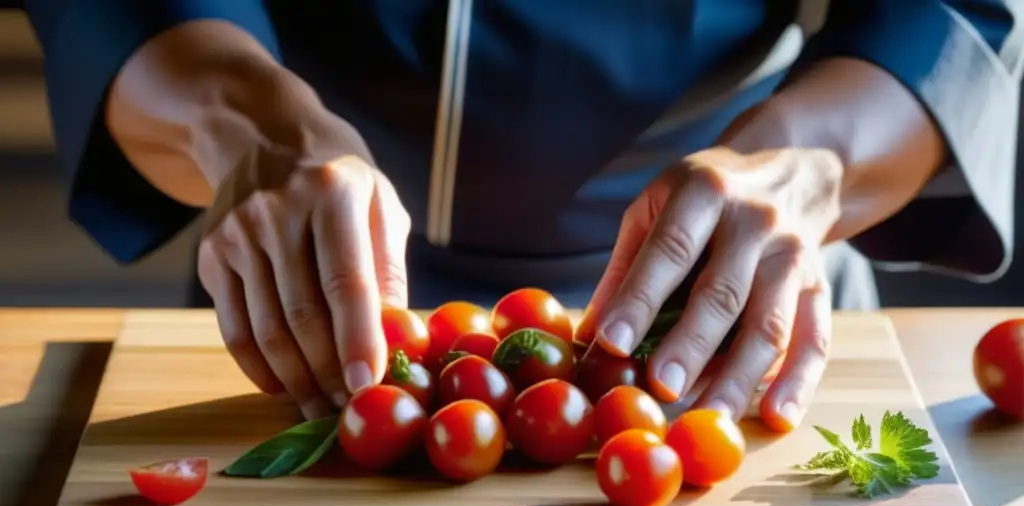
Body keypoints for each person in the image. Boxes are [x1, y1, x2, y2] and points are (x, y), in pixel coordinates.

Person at [20, 1, 1022, 426]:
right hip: (299, 290)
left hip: (725, 294)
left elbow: (950, 12)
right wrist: (238, 122)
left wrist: (806, 165)